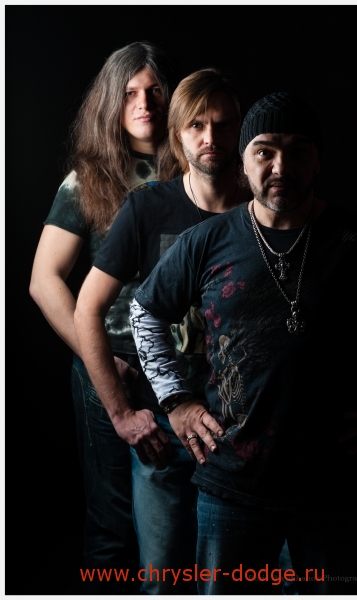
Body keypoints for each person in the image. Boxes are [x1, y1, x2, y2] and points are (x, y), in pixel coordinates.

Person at [130, 91, 357, 595]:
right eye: (265, 151)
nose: (281, 166)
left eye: (298, 151)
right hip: (233, 485)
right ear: (244, 161)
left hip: (335, 489)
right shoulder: (207, 241)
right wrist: (177, 401)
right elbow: (144, 313)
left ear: (318, 160)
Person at [73, 68, 251, 594]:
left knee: (236, 584)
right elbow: (86, 309)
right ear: (177, 135)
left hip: (240, 435)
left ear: (241, 131)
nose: (211, 137)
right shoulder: (148, 207)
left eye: (223, 124)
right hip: (164, 437)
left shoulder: (259, 208)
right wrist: (122, 415)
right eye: (197, 125)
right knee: (165, 582)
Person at [29, 41, 177, 593]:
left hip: (184, 372)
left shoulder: (194, 169)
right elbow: (44, 280)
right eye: (130, 93)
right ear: (110, 102)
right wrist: (100, 363)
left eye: (155, 91)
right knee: (113, 526)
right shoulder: (87, 179)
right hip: (111, 370)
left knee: (177, 523)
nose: (144, 104)